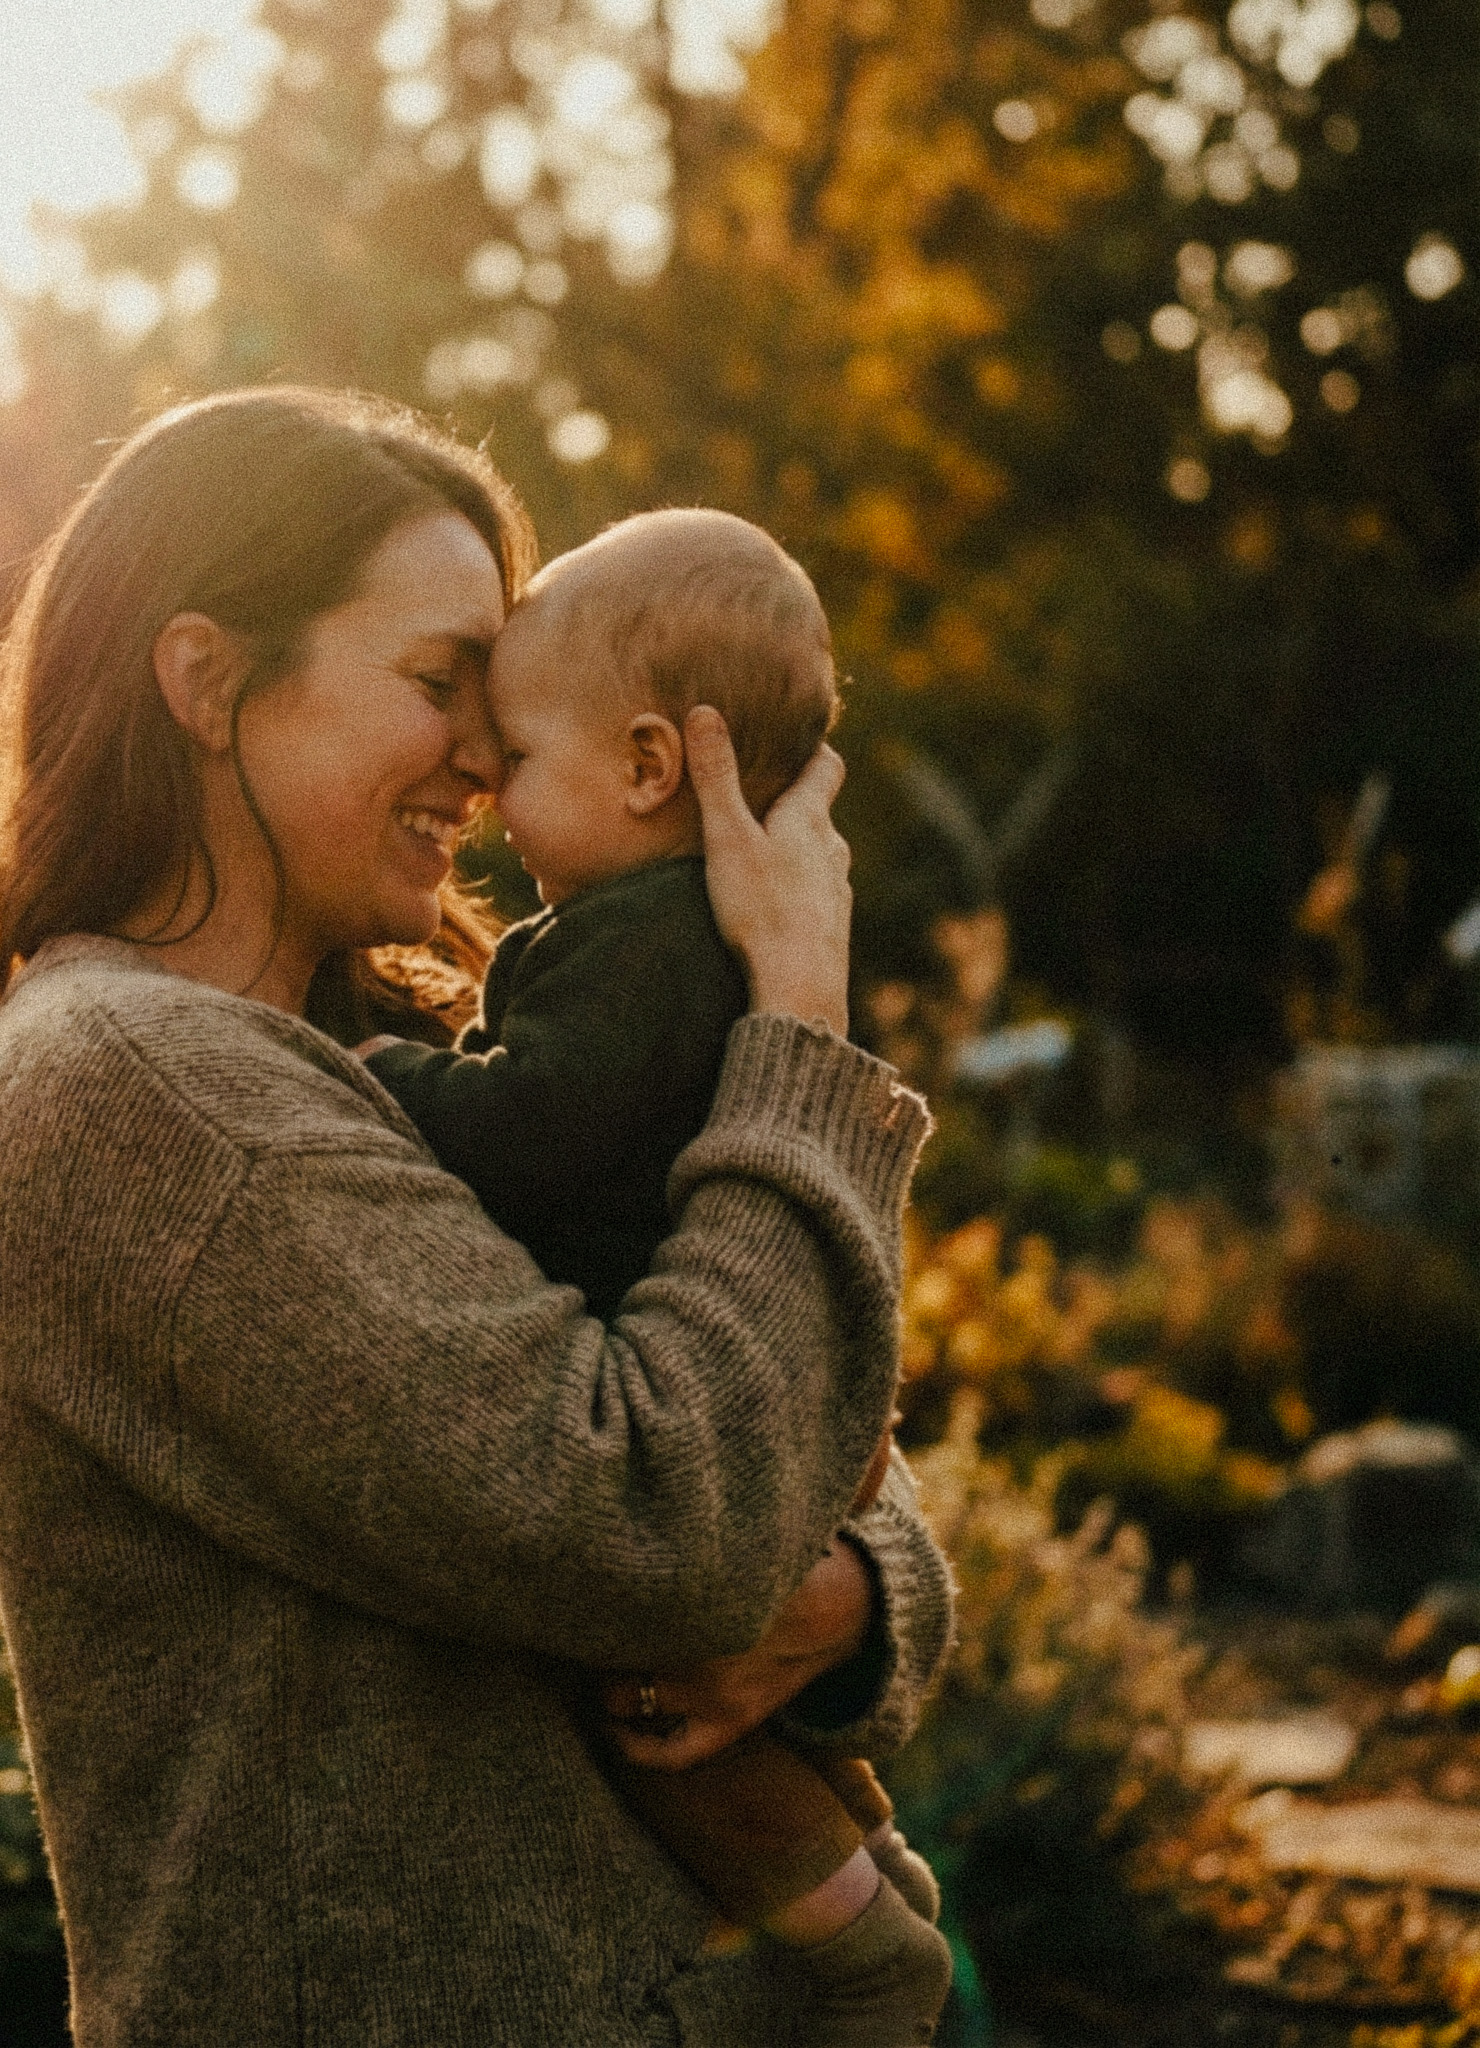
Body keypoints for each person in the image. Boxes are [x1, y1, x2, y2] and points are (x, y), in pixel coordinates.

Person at [0, 386, 956, 2047]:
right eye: (436, 684)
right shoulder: (140, 1093)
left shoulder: (372, 1057)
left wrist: (845, 1596)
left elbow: (800, 1433)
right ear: (205, 683)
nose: (486, 754)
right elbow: (672, 1517)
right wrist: (802, 1039)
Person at [366, 509, 950, 2046]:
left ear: (645, 767)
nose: (488, 797)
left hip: (676, 1386)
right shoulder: (687, 938)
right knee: (719, 1722)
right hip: (730, 1388)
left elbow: (534, 1127)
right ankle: (873, 1878)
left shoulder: (637, 945)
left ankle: (867, 1947)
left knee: (659, 1730)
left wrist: (371, 1077)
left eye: (519, 763)